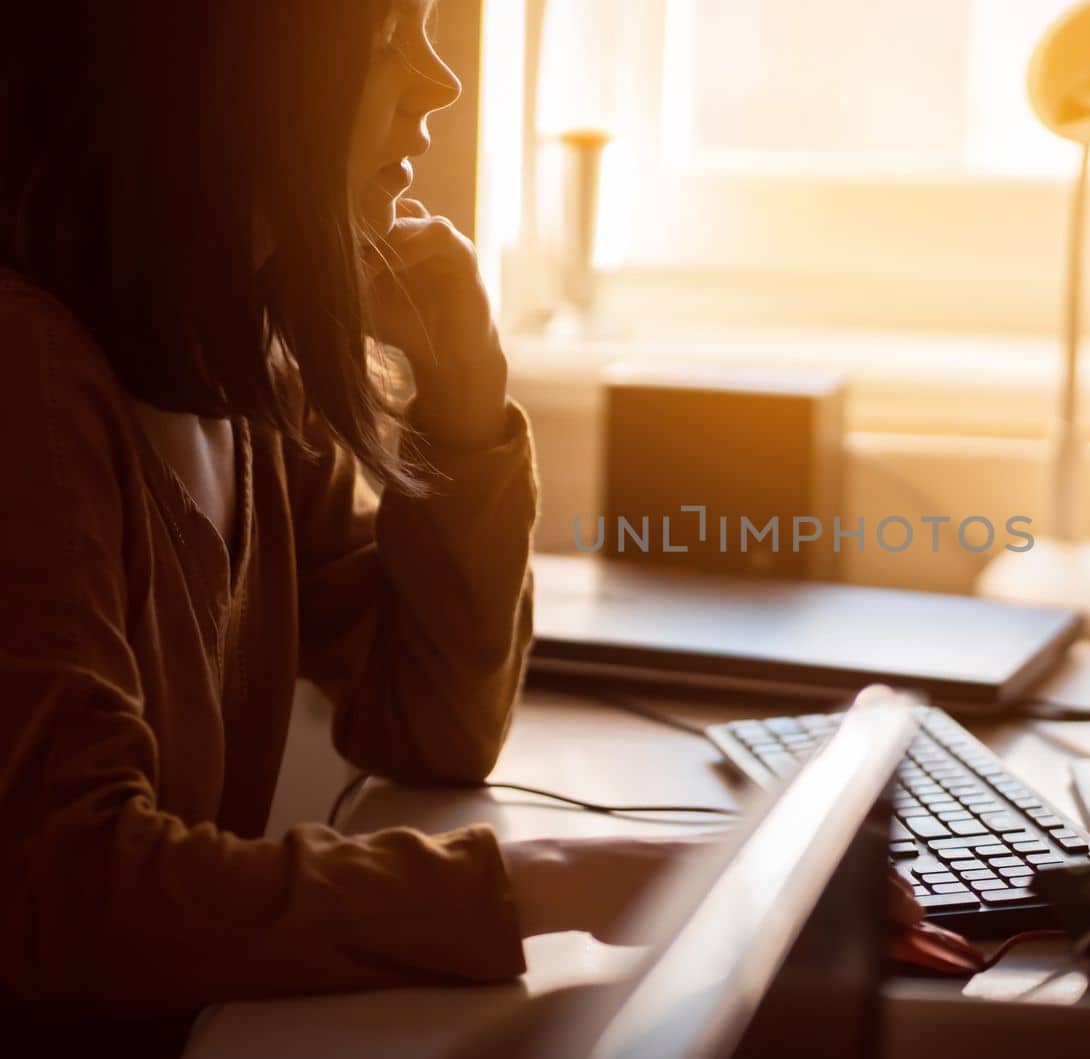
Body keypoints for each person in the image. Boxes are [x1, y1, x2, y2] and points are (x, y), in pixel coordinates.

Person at [0, 2, 690, 1053]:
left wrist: (461, 399)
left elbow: (429, 723)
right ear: (233, 79)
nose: (440, 85)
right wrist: (555, 875)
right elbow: (78, 893)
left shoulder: (244, 378)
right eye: (386, 39)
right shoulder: (27, 380)